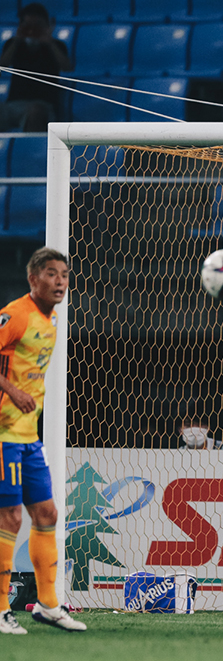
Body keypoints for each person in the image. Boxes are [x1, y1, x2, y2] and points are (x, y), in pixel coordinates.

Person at [0, 248, 86, 634]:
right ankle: (1, 609)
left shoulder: (50, 321)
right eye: (51, 274)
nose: (60, 281)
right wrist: (13, 392)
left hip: (28, 436)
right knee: (10, 517)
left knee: (47, 514)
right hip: (3, 433)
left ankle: (48, 605)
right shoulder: (15, 315)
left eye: (65, 275)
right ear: (33, 279)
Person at [0, 4, 72, 132]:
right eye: (28, 25)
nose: (33, 29)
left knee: (35, 111)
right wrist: (17, 40)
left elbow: (67, 67)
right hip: (13, 104)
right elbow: (3, 65)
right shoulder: (13, 44)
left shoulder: (57, 46)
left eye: (37, 25)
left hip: (43, 105)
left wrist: (49, 43)